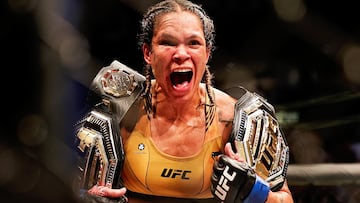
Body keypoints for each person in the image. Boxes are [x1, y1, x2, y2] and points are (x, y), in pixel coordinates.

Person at [73, 0, 294, 202]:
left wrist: (253, 192)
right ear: (148, 53)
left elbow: (285, 199)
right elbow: (64, 181)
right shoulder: (118, 109)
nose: (181, 53)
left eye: (193, 43)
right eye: (167, 43)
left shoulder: (237, 119)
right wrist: (88, 197)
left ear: (207, 53)